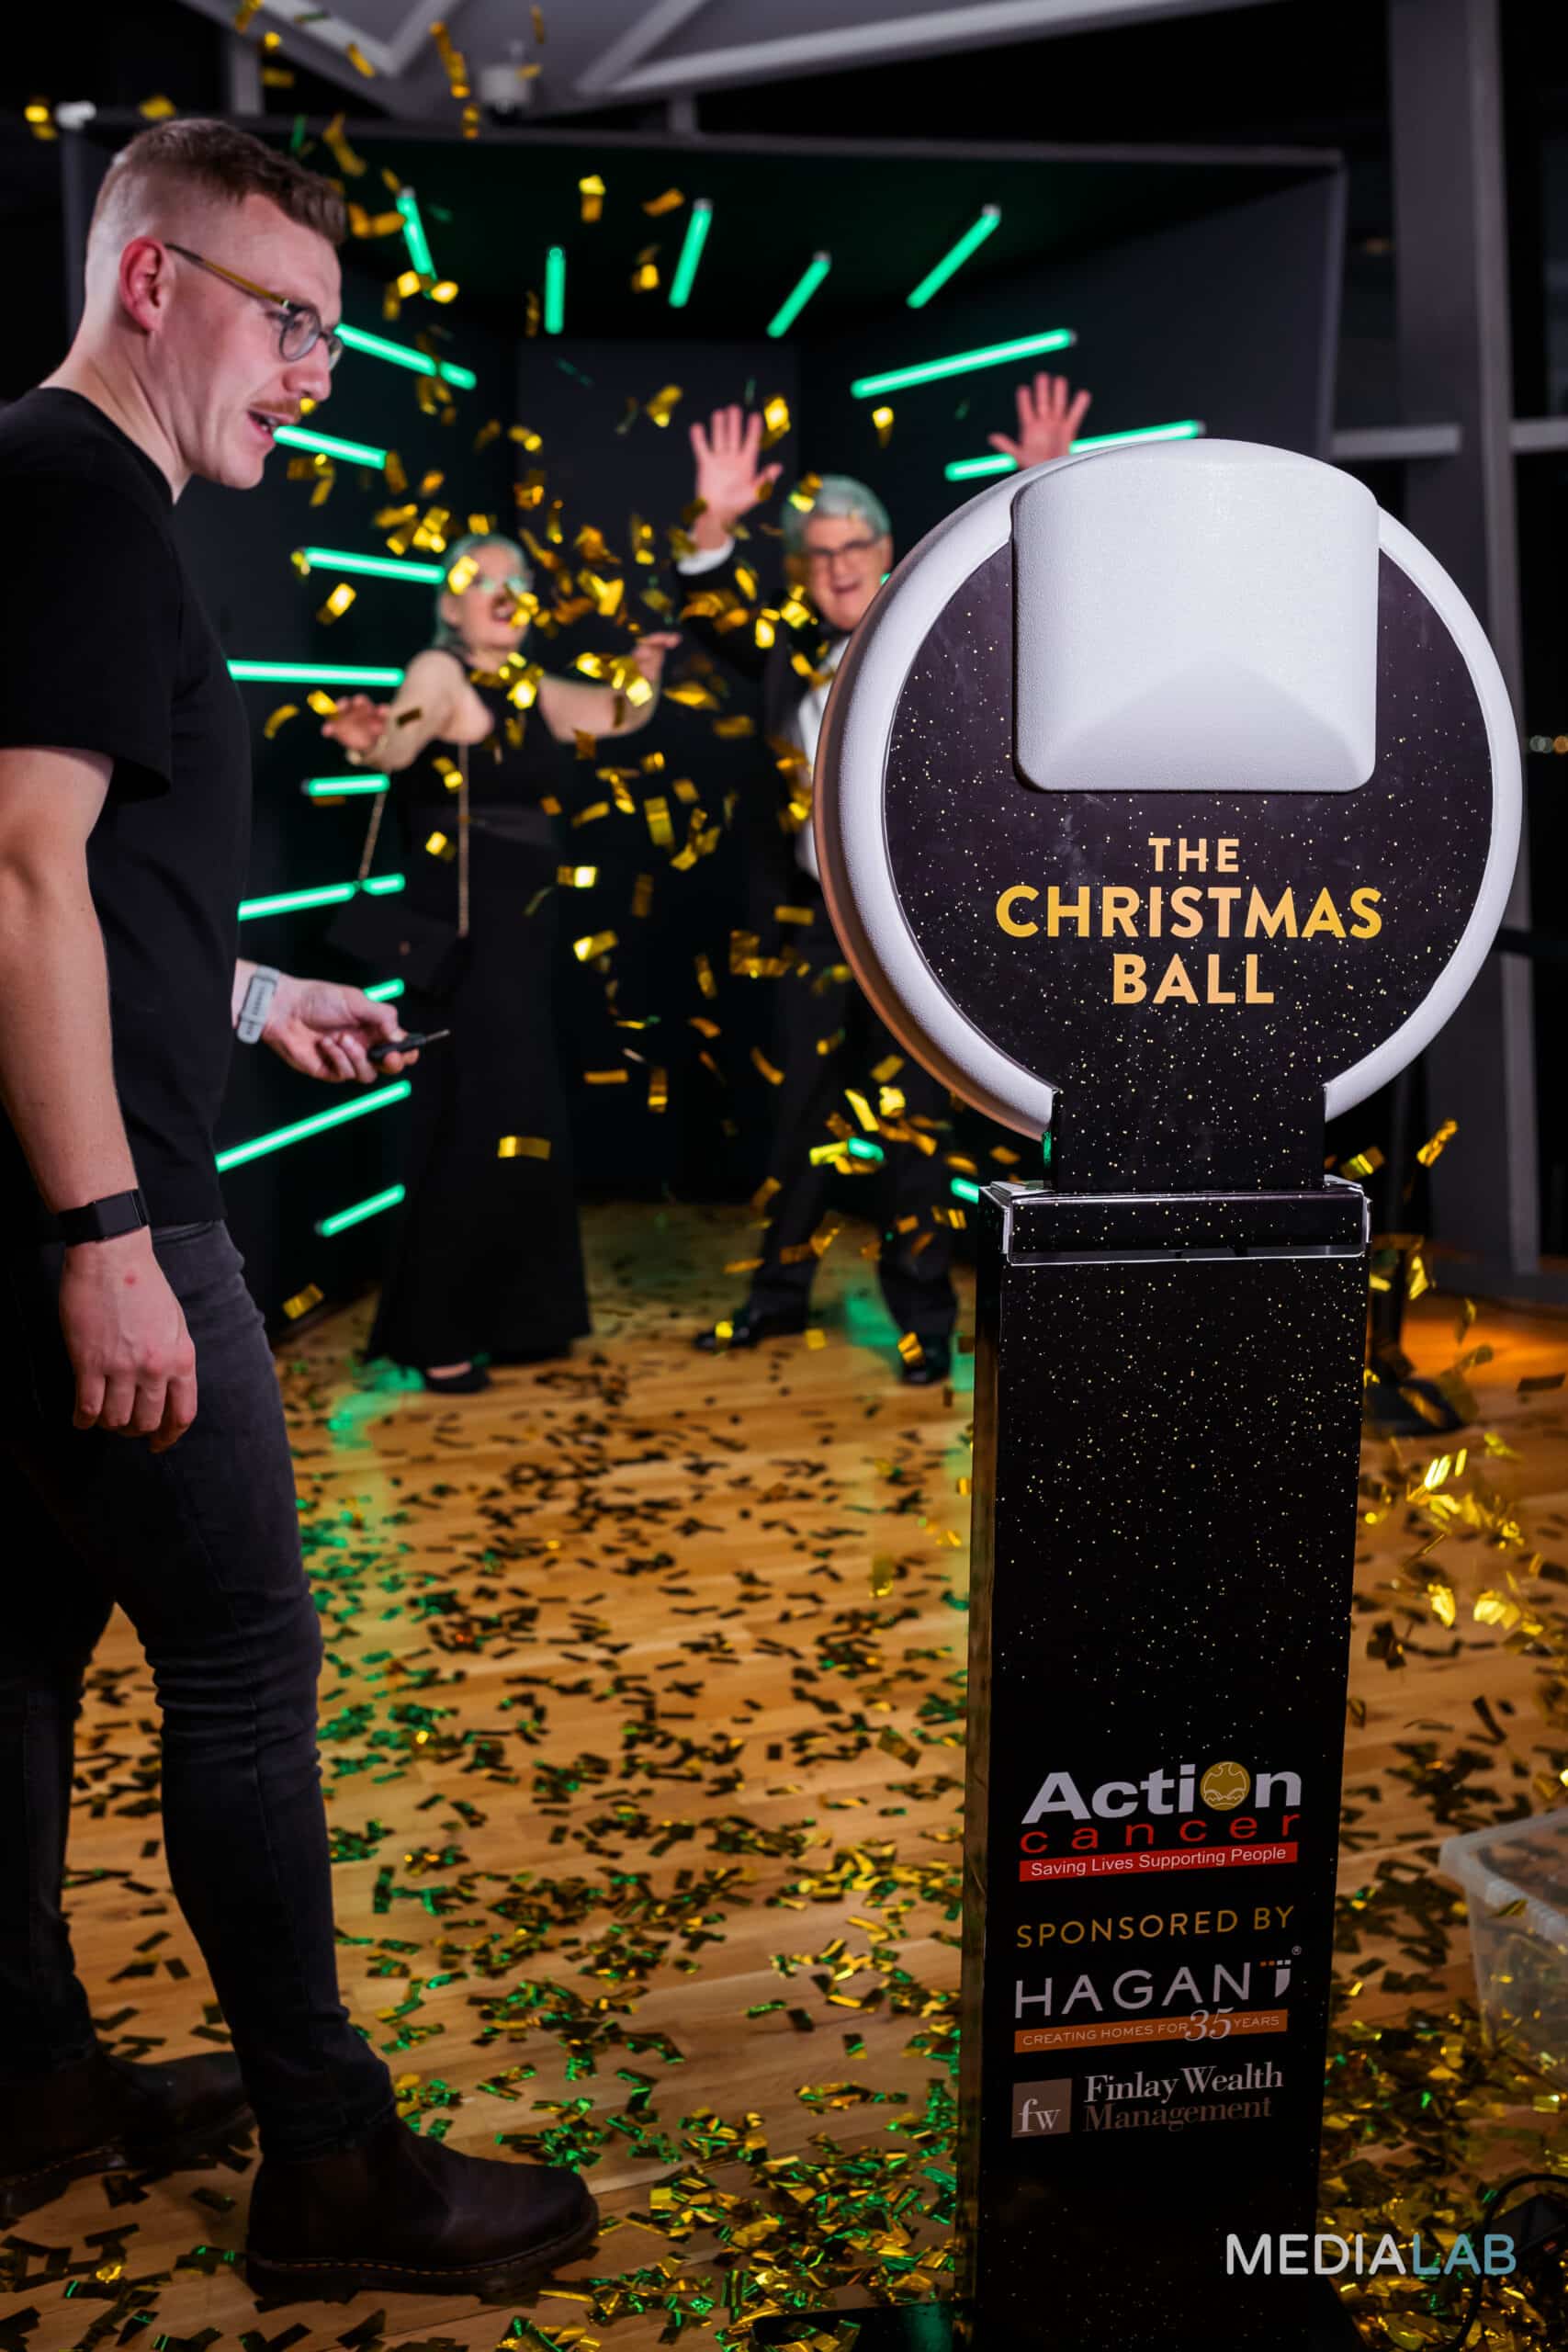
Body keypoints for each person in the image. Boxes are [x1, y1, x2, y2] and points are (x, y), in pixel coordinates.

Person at [0, 119, 595, 2298]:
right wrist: (104, 1239)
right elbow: (12, 873)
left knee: (21, 1655)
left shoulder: (50, 491)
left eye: (335, 328)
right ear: (154, 283)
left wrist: (250, 991)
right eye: (285, 319)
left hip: (58, 1207)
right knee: (244, 1657)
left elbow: (90, 875)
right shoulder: (76, 498)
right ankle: (336, 2168)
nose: (316, 372)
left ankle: (33, 2073)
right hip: (104, 1227)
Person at [680, 376, 1091, 1382]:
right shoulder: (783, 652)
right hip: (814, 929)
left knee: (914, 1127)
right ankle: (774, 1297)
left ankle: (925, 1329)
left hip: (912, 930)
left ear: (888, 551)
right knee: (799, 1120)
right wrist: (713, 519)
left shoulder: (939, 643)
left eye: (854, 548)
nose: (836, 569)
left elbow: (1033, 616)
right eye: (818, 555)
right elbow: (705, 604)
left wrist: (1042, 487)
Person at [321, 538, 678, 1392]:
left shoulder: (533, 687)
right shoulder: (438, 673)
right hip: (463, 951)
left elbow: (619, 716)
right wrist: (369, 736)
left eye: (517, 582)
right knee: (470, 1124)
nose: (504, 594)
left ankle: (525, 1319)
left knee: (520, 1117)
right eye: (482, 582)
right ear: (450, 604)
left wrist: (644, 665)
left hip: (522, 945)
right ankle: (438, 1333)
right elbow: (396, 748)